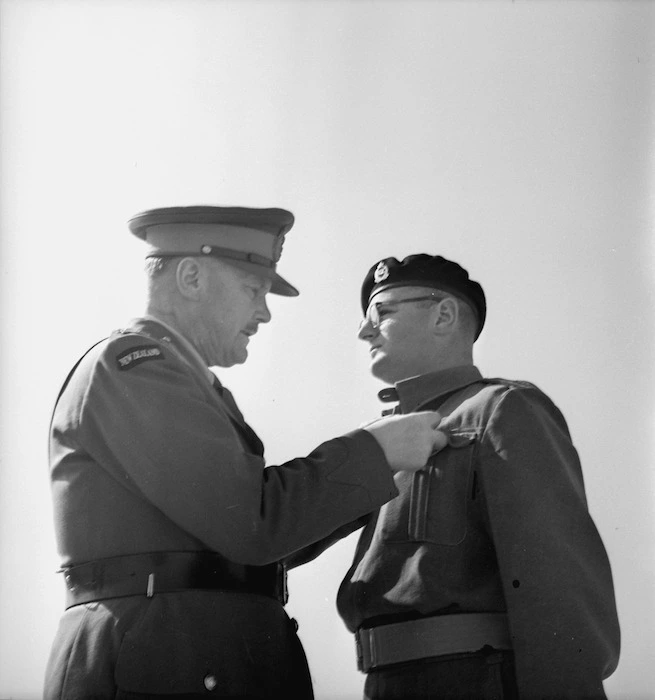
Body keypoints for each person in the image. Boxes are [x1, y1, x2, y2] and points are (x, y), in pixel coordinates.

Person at [44, 207, 447, 700]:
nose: (264, 312)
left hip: (181, 651)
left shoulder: (176, 377)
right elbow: (252, 523)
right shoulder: (136, 368)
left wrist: (376, 465)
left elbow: (250, 539)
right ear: (191, 277)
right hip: (161, 656)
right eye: (252, 290)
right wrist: (374, 453)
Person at [335, 253, 621, 699]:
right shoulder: (381, 441)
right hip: (388, 684)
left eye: (382, 313)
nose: (364, 330)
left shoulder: (502, 408)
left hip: (473, 679)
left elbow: (559, 590)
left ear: (444, 315)